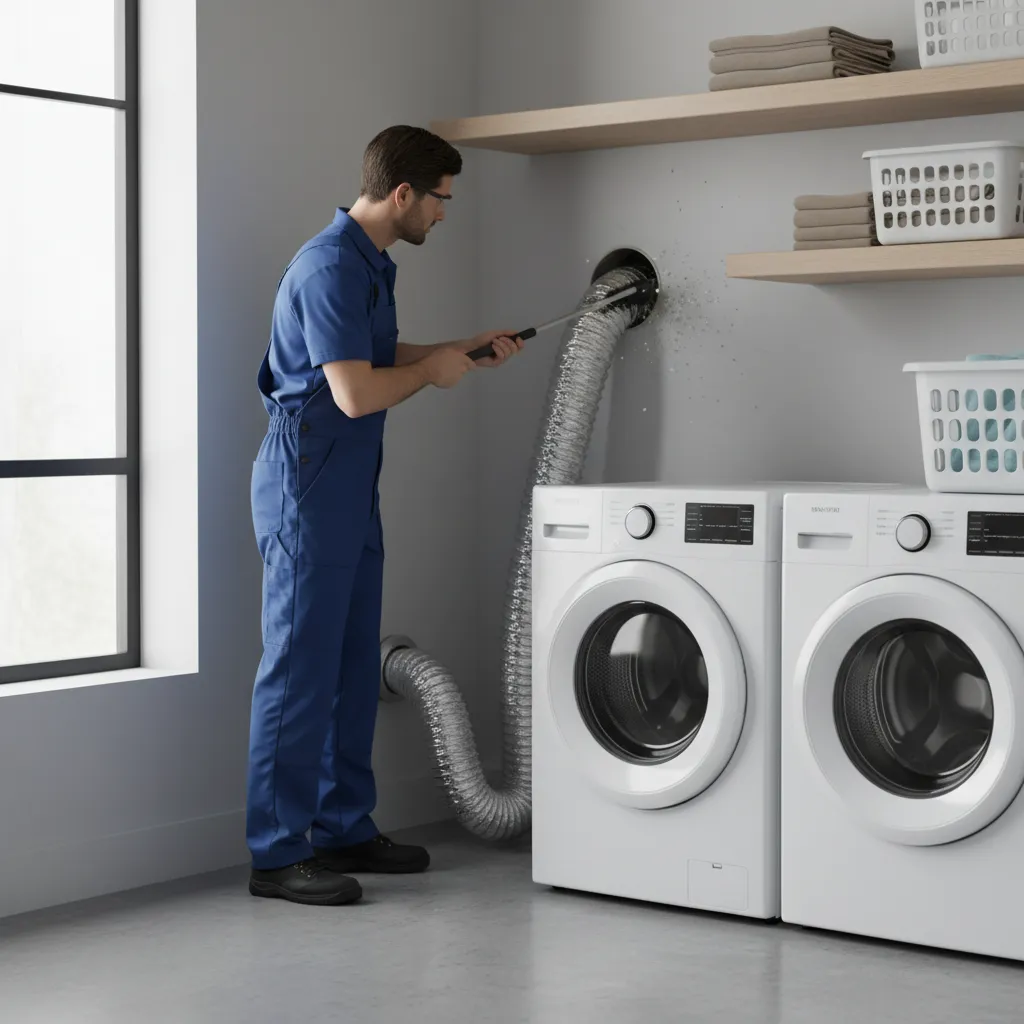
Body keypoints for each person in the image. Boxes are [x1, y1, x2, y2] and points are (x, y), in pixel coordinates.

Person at [246, 125, 522, 906]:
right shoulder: (329, 267)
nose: (444, 214)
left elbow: (374, 355)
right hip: (307, 479)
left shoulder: (371, 262)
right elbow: (354, 393)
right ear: (403, 193)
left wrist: (458, 350)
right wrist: (434, 376)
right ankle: (276, 853)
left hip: (347, 480)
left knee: (349, 664)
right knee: (300, 667)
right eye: (440, 199)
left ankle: (342, 827)